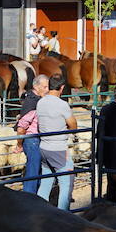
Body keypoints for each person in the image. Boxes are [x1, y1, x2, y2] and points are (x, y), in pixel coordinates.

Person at [35, 74, 77, 211]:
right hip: (58, 148)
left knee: (46, 182)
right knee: (66, 183)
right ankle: (63, 215)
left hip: (44, 147)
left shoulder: (40, 102)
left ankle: (40, 212)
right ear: (62, 87)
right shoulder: (62, 104)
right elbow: (73, 125)